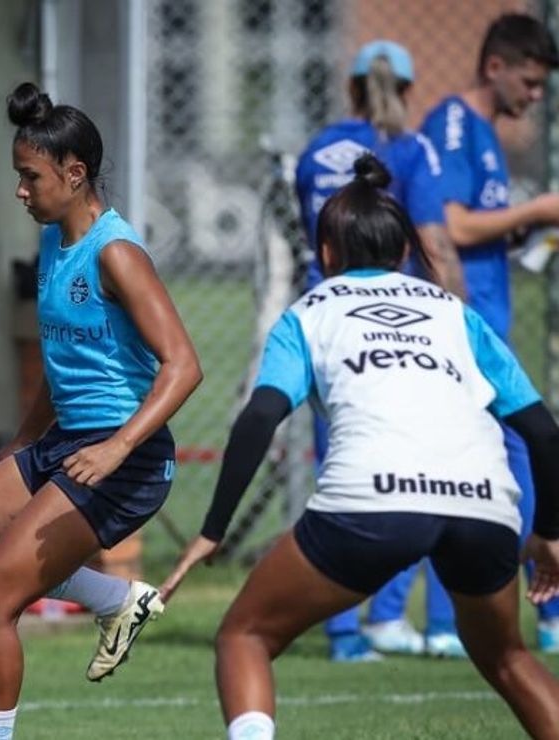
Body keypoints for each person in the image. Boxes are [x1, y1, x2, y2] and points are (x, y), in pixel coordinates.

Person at [161, 153, 559, 740]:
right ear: (405, 252)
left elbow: (261, 417)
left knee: (245, 635)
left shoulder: (309, 314)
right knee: (508, 658)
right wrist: (549, 532)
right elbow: (544, 432)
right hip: (483, 503)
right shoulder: (457, 315)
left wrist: (213, 530)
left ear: (325, 253)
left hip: (372, 500)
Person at [0, 82, 202, 740]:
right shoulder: (53, 240)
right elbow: (64, 358)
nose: (20, 191)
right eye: (19, 175)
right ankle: (115, 599)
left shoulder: (116, 252)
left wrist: (118, 447)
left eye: (31, 177)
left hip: (126, 457)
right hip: (65, 441)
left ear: (74, 176)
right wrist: (25, 439)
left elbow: (184, 365)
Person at [294, 40, 467, 661]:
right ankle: (423, 620)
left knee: (337, 472)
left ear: (352, 87)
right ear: (408, 90)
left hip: (324, 325)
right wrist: (460, 324)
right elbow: (436, 247)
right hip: (395, 332)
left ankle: (347, 630)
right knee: (425, 471)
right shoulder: (411, 150)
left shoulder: (315, 152)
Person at [418, 12, 559, 650]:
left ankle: (522, 614)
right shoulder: (453, 123)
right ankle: (461, 621)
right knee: (493, 465)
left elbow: (480, 223)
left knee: (501, 467)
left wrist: (522, 227)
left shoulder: (486, 135)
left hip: (487, 331)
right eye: (529, 82)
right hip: (462, 332)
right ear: (494, 66)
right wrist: (538, 208)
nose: (535, 95)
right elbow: (448, 223)